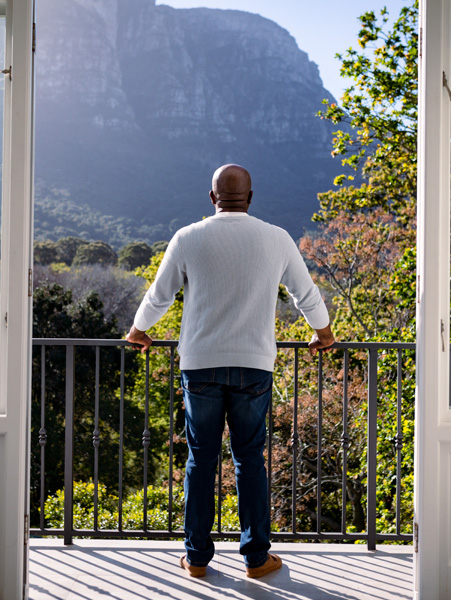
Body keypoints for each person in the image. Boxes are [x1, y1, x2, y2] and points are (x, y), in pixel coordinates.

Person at [126, 164, 335, 579]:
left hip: (200, 364)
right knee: (249, 460)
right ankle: (256, 558)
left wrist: (138, 331)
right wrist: (324, 334)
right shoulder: (276, 238)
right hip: (253, 365)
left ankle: (197, 559)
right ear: (251, 198)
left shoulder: (188, 237)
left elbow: (159, 295)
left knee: (200, 460)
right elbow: (305, 294)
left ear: (211, 198)